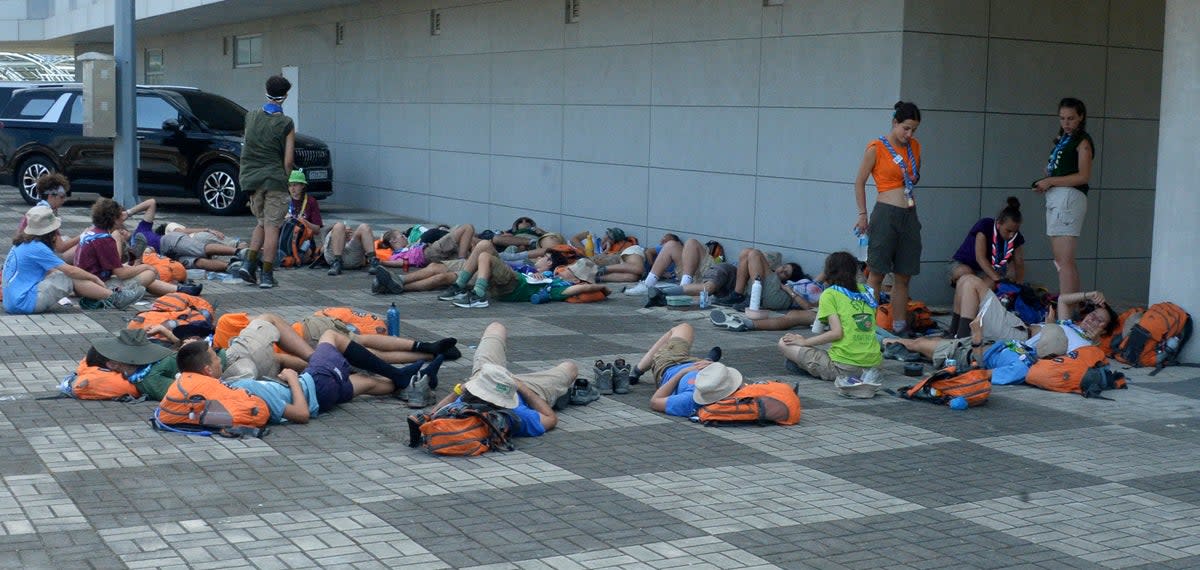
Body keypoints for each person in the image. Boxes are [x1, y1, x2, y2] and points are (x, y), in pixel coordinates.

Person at [427, 322, 577, 437]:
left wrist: (459, 390)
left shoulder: (465, 401)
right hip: (523, 389)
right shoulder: (517, 415)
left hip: (486, 376)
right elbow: (551, 419)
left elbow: (433, 414)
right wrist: (521, 388)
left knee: (496, 327)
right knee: (570, 368)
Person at [854, 101, 922, 336]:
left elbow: (912, 177)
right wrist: (862, 214)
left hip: (909, 213)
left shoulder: (915, 147)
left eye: (913, 129)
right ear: (894, 123)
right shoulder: (876, 147)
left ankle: (899, 326)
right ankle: (866, 329)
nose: (909, 134)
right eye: (905, 128)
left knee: (904, 274)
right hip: (886, 212)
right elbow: (860, 181)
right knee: (876, 273)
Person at [3, 206, 144, 313]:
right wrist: (93, 278)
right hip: (24, 302)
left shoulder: (23, 243)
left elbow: (50, 271)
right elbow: (70, 271)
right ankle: (116, 298)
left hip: (13, 302)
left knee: (61, 275)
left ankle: (105, 295)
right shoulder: (37, 247)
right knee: (69, 278)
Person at [779, 251, 881, 381]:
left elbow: (836, 333)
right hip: (873, 365)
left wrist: (804, 341)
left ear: (828, 272)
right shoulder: (867, 291)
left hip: (845, 368)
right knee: (824, 348)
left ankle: (810, 368)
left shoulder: (830, 294)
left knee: (784, 343)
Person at [74, 198, 202, 299]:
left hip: (88, 281)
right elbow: (120, 273)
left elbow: (112, 268)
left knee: (137, 272)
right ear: (114, 219)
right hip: (97, 286)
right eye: (120, 216)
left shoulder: (92, 232)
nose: (123, 219)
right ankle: (127, 288)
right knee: (149, 274)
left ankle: (181, 290)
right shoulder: (105, 239)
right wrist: (145, 267)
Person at [238, 75, 295, 289]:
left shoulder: (250, 116)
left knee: (261, 223)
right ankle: (268, 275)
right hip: (274, 180)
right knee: (272, 228)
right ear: (286, 95)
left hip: (252, 180)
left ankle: (249, 264)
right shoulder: (286, 123)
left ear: (266, 91)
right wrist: (287, 179)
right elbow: (288, 161)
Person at [953, 273, 1117, 348]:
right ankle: (954, 336)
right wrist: (1090, 294)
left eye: (1099, 321)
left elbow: (1056, 353)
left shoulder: (1085, 345)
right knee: (965, 279)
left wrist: (1095, 341)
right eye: (1093, 314)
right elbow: (1062, 300)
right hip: (1017, 326)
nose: (1092, 320)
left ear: (1103, 332)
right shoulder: (1072, 326)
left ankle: (959, 345)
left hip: (1017, 337)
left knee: (971, 283)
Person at [1033, 97, 1094, 299]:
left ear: (1081, 117)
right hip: (1058, 196)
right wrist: (1048, 179)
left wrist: (1051, 181)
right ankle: (1072, 307)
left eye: (1071, 118)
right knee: (1063, 260)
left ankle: (1066, 312)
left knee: (1063, 260)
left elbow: (1083, 176)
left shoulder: (1082, 141)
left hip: (1068, 197)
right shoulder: (1063, 139)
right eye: (1062, 118)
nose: (1066, 123)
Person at [633, 323, 743, 417]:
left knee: (683, 327)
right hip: (700, 366)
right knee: (707, 363)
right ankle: (708, 360)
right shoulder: (730, 391)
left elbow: (654, 402)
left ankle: (638, 370)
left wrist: (682, 373)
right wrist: (713, 366)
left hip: (671, 365)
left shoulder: (690, 400)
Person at [710, 265, 824, 332]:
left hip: (791, 297)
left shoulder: (830, 291)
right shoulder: (814, 283)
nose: (782, 270)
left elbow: (809, 306)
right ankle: (744, 321)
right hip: (786, 293)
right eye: (783, 267)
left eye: (786, 272)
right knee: (792, 317)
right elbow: (825, 273)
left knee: (792, 317)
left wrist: (790, 291)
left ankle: (745, 323)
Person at [15, 173, 78, 260]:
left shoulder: (36, 210)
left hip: (21, 255)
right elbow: (61, 247)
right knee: (77, 249)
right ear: (51, 196)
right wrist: (84, 235)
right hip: (32, 258)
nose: (64, 200)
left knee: (67, 241)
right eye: (62, 196)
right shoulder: (45, 214)